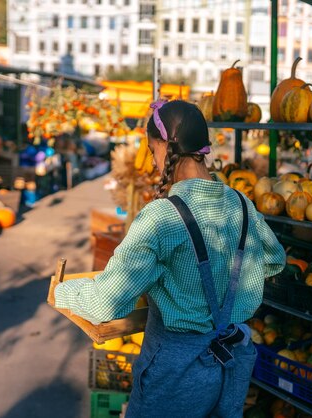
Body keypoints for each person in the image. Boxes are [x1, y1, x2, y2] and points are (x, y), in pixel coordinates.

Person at [54, 100, 285, 417]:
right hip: (229, 369)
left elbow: (104, 305)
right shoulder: (241, 204)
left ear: (165, 145)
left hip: (174, 377)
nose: (152, 163)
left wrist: (61, 291)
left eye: (152, 151)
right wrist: (221, 292)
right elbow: (273, 260)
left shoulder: (161, 218)